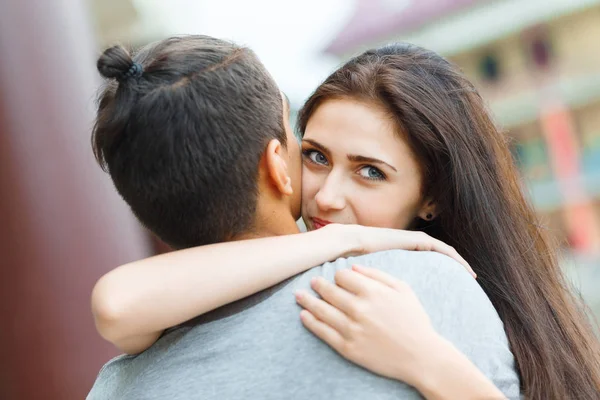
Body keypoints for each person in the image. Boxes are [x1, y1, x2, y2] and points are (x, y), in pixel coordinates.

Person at [87, 35, 520, 400]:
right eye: (313, 155)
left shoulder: (115, 382)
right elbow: (115, 302)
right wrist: (341, 241)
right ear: (278, 163)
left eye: (371, 171)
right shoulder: (415, 281)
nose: (328, 198)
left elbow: (115, 303)